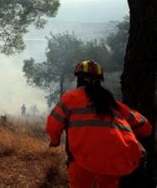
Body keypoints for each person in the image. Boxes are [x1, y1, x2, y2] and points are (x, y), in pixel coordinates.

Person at [46, 60, 151, 188]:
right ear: (99, 81)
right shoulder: (111, 102)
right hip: (113, 159)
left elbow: (53, 124)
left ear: (79, 79)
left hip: (82, 159)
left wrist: (55, 140)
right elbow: (145, 126)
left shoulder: (71, 97)